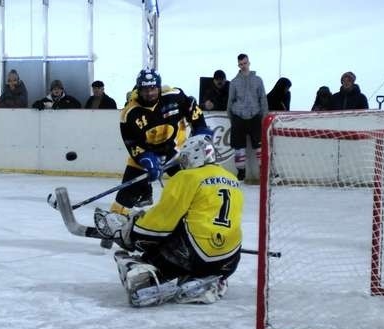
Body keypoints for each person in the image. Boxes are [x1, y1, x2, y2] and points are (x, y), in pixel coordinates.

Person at [96, 135, 243, 307]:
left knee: (138, 258)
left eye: (186, 158)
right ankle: (209, 282)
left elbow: (161, 221)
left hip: (191, 256)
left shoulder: (187, 177)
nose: (183, 163)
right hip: (228, 261)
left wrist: (131, 233)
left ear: (195, 156)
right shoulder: (232, 179)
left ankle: (151, 281)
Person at [107, 68, 212, 220]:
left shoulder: (174, 96)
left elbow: (192, 108)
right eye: (145, 89)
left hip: (176, 152)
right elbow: (132, 143)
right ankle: (115, 223)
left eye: (153, 88)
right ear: (138, 89)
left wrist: (201, 128)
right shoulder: (129, 113)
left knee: (191, 189)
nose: (149, 93)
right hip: (148, 153)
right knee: (126, 193)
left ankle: (198, 220)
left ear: (158, 87)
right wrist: (146, 159)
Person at [227, 53, 268, 181]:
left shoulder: (258, 80)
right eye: (241, 64)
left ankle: (263, 171)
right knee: (239, 146)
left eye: (245, 63)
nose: (243, 66)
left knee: (260, 145)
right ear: (238, 65)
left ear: (249, 63)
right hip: (238, 117)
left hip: (255, 115)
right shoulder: (234, 82)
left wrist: (264, 116)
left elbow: (263, 98)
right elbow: (230, 100)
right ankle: (241, 172)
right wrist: (231, 117)